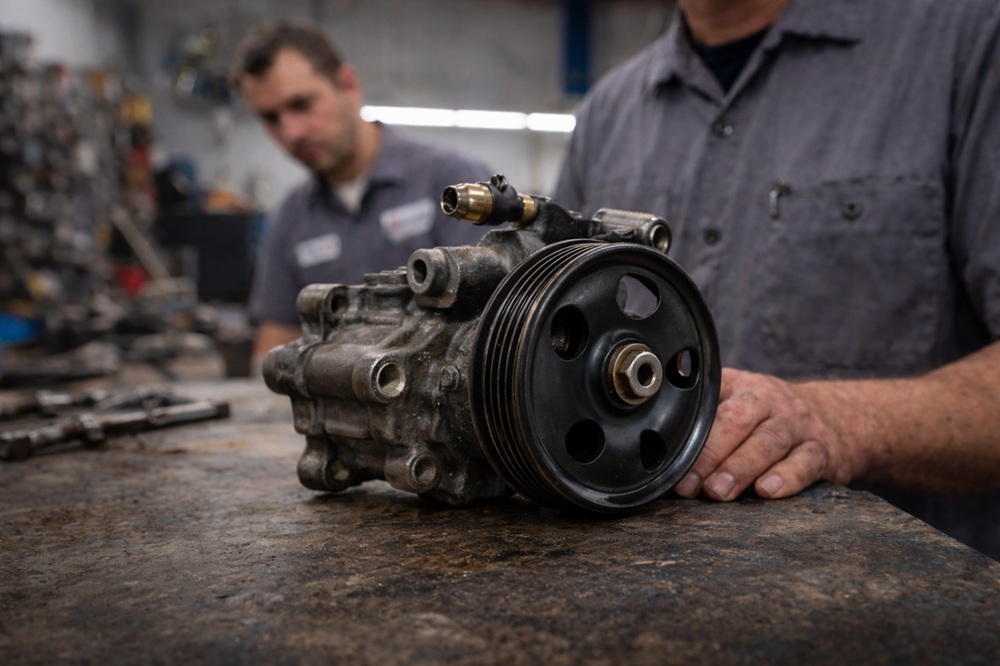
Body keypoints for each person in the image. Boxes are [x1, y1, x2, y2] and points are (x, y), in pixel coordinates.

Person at [555, 0, 1000, 557]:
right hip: (644, 594)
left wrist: (845, 422)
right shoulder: (609, 112)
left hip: (902, 598)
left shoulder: (968, 44)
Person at [231, 20, 491, 360]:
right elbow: (275, 344)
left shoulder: (452, 181)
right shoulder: (289, 219)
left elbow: (496, 320)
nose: (291, 132)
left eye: (301, 105)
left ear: (347, 84)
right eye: (270, 118)